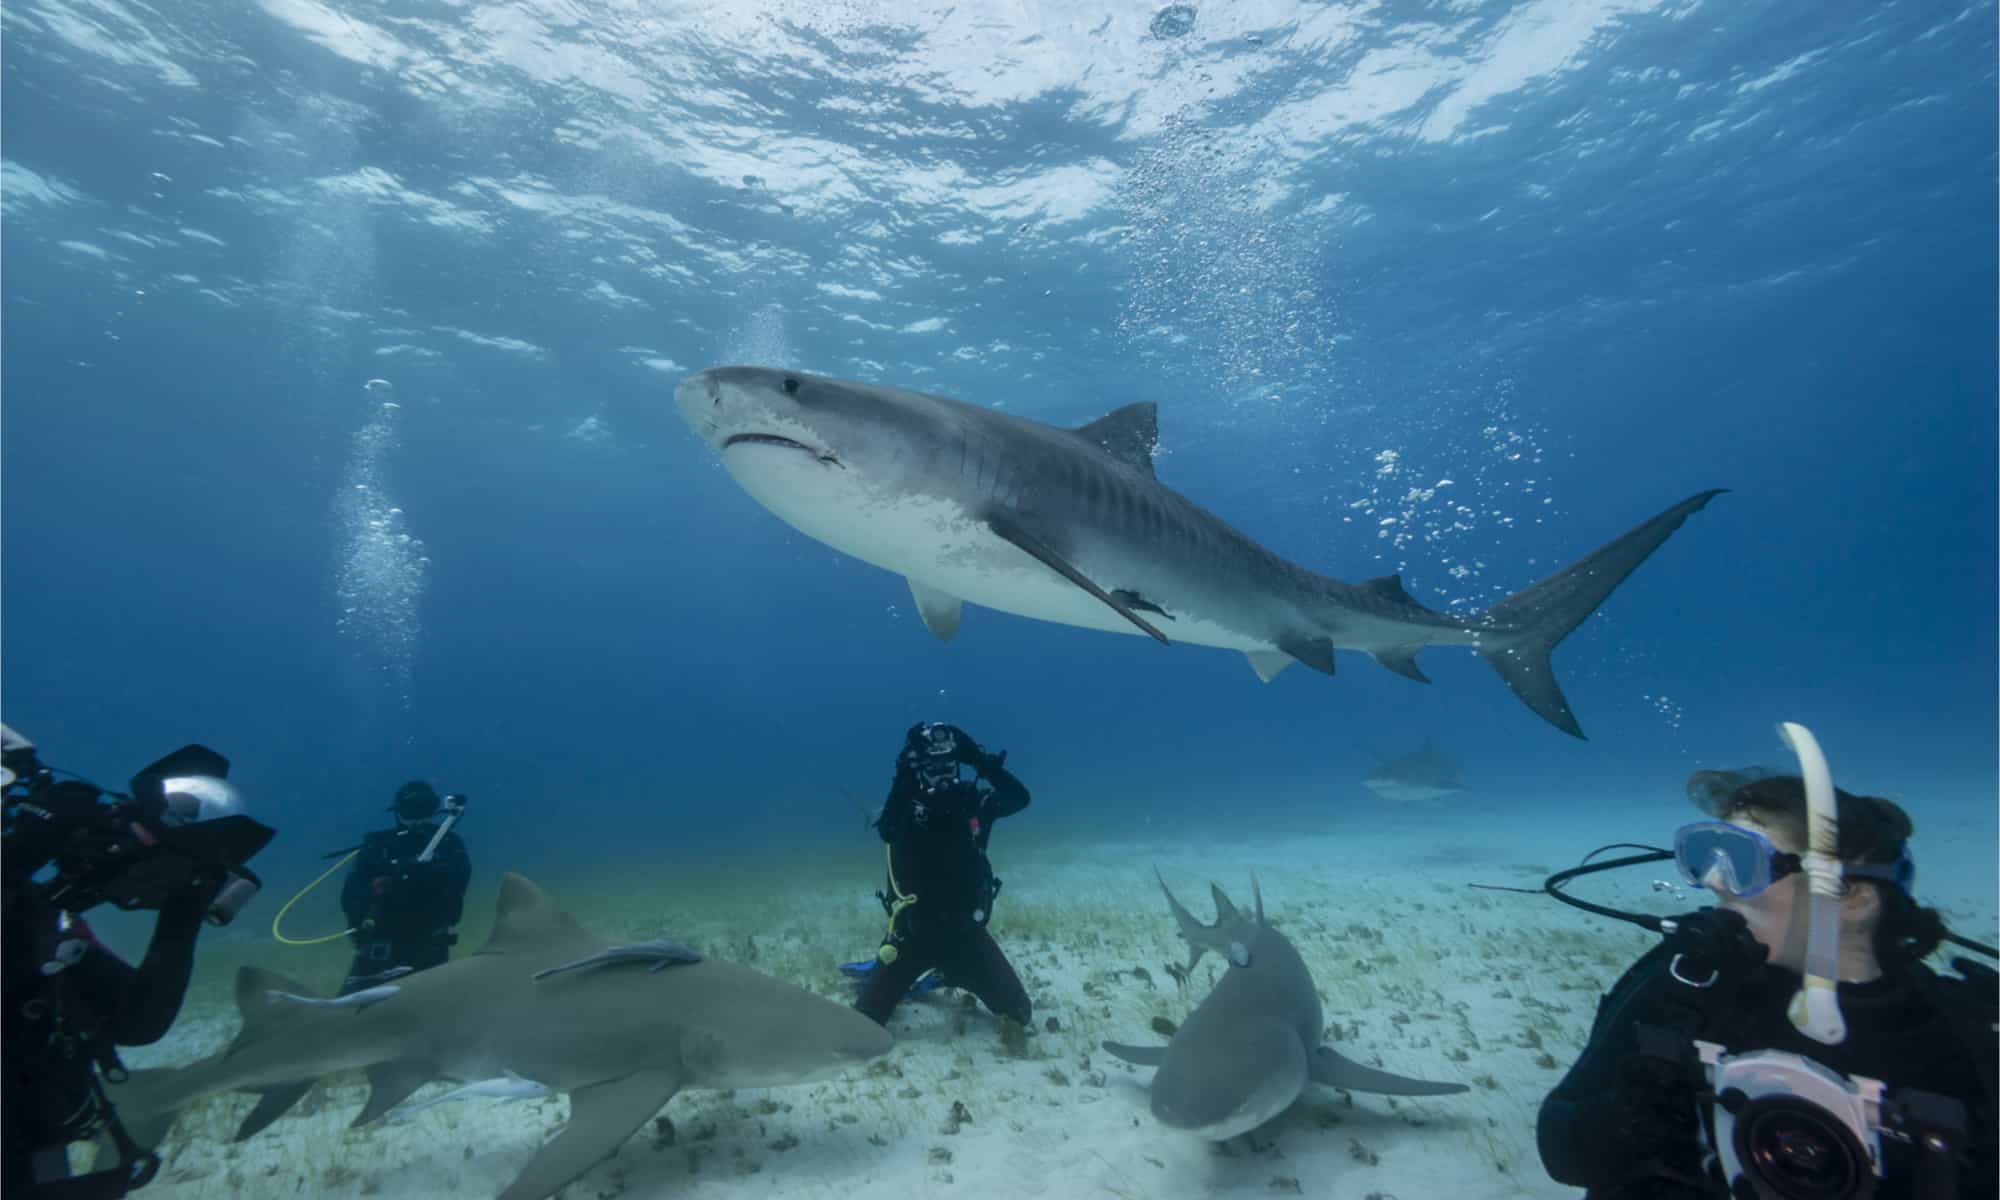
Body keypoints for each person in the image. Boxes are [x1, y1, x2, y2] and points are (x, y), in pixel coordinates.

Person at [1537, 763, 1997, 1200]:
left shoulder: (1968, 1040)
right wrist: (1637, 1102)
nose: (1714, 880)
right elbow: (1563, 1151)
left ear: (1852, 896)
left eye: (1744, 860)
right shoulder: (1685, 984)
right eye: (1705, 854)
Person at [2, 725, 271, 1198]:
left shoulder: (40, 918)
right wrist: (27, 848)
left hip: (33, 1148)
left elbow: (139, 1021)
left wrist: (181, 918)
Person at [852, 721, 1032, 1029]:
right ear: (920, 771)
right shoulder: (906, 808)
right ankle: (891, 974)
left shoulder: (974, 803)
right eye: (933, 768)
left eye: (949, 766)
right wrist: (903, 779)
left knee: (1020, 1014)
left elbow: (1019, 797)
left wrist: (979, 760)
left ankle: (951, 972)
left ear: (959, 765)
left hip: (967, 935)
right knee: (864, 1022)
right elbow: (888, 830)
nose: (943, 776)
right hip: (911, 937)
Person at [338, 781, 470, 996]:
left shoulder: (448, 845)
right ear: (397, 812)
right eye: (411, 810)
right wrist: (382, 886)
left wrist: (429, 875)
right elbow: (351, 898)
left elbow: (456, 896)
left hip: (430, 954)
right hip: (377, 957)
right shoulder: (376, 848)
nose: (418, 819)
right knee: (343, 1013)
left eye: (425, 809)